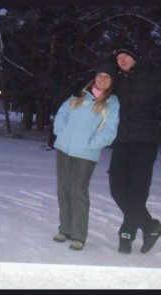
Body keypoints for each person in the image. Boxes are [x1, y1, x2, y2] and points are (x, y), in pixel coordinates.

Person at [52, 63, 120, 250]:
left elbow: (110, 130)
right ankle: (65, 229)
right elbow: (62, 113)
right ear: (95, 77)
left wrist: (92, 145)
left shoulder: (111, 102)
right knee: (63, 189)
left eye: (107, 77)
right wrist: (60, 131)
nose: (102, 79)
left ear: (112, 81)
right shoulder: (80, 95)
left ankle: (78, 235)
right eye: (100, 76)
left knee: (78, 191)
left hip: (86, 154)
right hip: (64, 149)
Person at [109, 47, 161, 254]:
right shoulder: (118, 81)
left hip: (144, 142)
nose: (121, 60)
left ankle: (127, 233)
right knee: (117, 187)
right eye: (118, 58)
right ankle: (150, 226)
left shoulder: (148, 76)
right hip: (122, 141)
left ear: (135, 58)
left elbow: (146, 100)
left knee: (138, 189)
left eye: (125, 56)